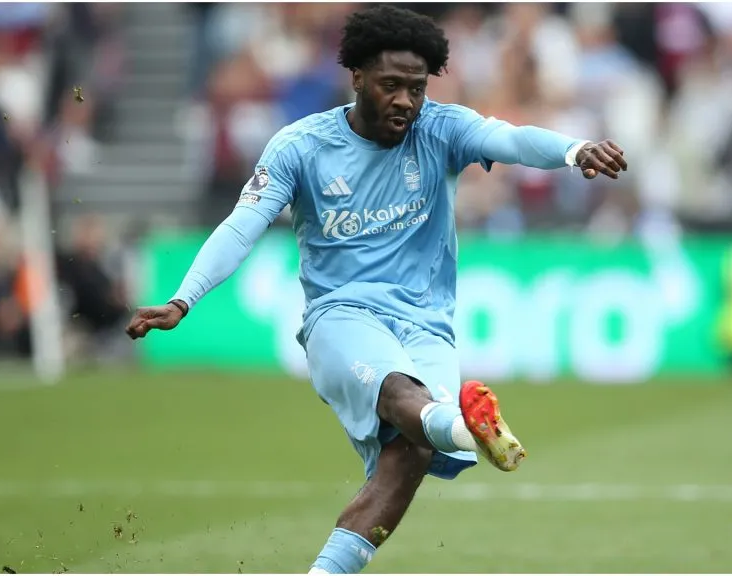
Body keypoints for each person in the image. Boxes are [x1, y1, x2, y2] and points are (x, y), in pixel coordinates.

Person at [125, 5, 626, 574]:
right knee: (402, 396)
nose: (406, 102)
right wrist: (183, 298)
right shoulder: (301, 146)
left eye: (416, 88)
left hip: (426, 323)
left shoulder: (440, 128)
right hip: (341, 318)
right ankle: (466, 426)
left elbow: (508, 137)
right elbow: (243, 223)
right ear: (357, 77)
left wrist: (573, 150)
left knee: (412, 449)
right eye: (391, 86)